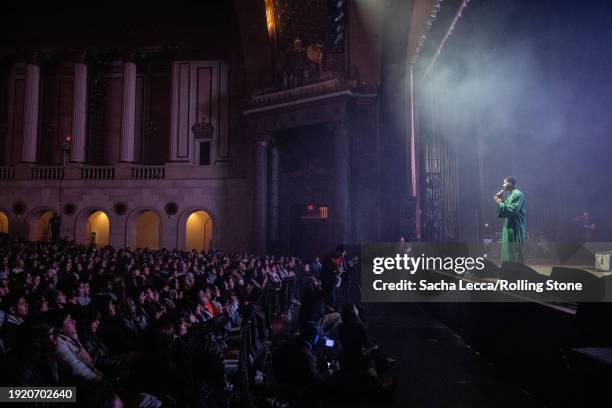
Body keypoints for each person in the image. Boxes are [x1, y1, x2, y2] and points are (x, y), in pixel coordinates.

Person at [494, 177, 526, 263]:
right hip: (508, 226)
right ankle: (508, 269)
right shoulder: (510, 194)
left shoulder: (518, 194)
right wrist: (501, 200)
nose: (503, 185)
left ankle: (517, 271)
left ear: (510, 183)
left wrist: (499, 202)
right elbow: (506, 208)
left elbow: (512, 210)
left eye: (504, 183)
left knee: (514, 249)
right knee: (508, 249)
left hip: (515, 227)